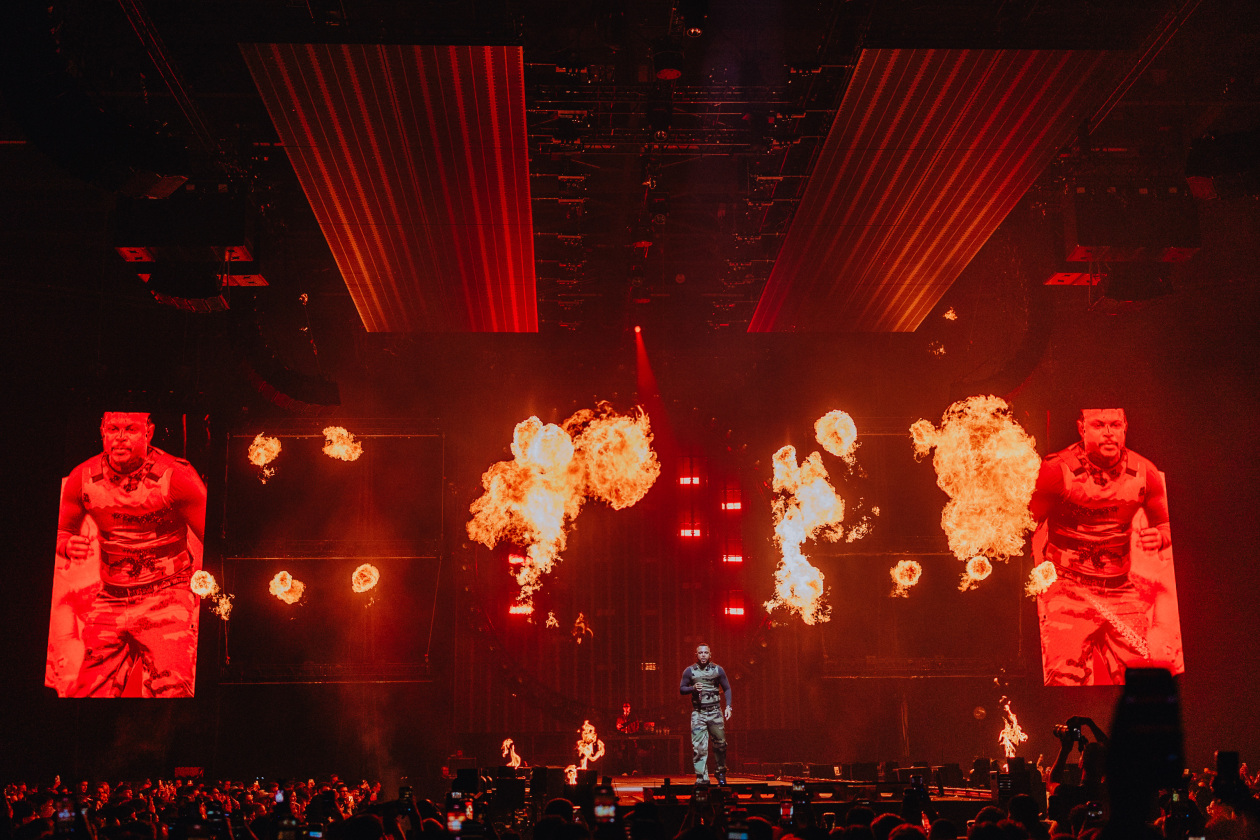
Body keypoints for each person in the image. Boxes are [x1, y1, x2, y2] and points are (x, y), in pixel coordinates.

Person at [49, 411, 208, 697]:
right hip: (110, 598)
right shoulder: (82, 477)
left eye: (130, 429)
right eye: (113, 429)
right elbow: (59, 531)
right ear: (102, 432)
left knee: (172, 694)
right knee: (84, 696)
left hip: (167, 598)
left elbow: (220, 537)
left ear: (148, 433)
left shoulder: (176, 476)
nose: (120, 438)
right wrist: (66, 545)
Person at [1029, 408, 1175, 686]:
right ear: (1082, 429)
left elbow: (1166, 524)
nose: (1108, 433)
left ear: (1125, 427)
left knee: (1145, 685)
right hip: (1066, 591)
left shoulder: (1146, 472)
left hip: (1120, 591)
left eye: (1115, 425)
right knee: (1064, 683)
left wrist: (1161, 537)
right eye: (1099, 425)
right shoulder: (1056, 470)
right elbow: (1025, 524)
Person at [679, 643, 732, 785]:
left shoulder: (718, 670)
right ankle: (702, 777)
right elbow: (682, 689)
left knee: (720, 744)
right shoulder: (690, 671)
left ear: (710, 654)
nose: (703, 655)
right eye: (700, 653)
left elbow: (727, 688)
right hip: (699, 713)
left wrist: (728, 707)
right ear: (696, 655)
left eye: (706, 653)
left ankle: (720, 772)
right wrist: (693, 688)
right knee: (699, 747)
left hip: (715, 712)